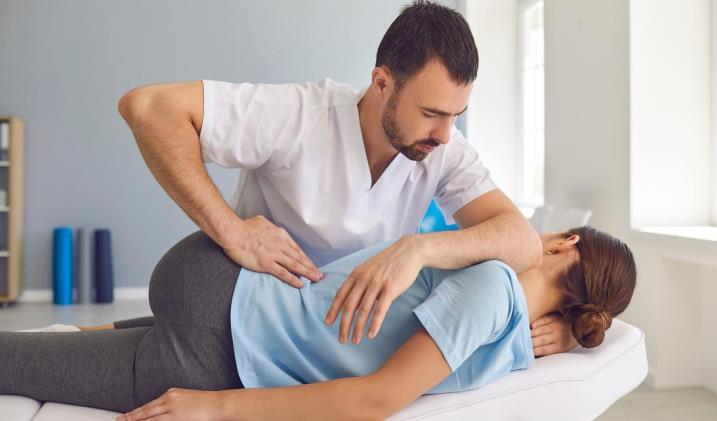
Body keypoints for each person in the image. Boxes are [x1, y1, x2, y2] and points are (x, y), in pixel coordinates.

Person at [116, 1, 578, 355]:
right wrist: (232, 231)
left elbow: (521, 240)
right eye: (431, 113)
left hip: (333, 335)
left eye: (456, 115)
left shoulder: (443, 146)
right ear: (381, 84)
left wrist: (418, 248)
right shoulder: (299, 114)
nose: (444, 133)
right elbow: (149, 108)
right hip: (243, 313)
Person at [0, 226, 636, 420]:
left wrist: (215, 408)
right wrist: (214, 405)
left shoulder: (494, 291)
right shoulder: (507, 315)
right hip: (219, 328)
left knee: (29, 357)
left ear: (565, 243)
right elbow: (377, 395)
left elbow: (375, 398)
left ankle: (86, 338)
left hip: (220, 310)